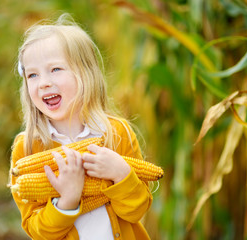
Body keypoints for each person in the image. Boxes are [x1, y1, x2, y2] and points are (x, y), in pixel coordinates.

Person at [10, 13, 152, 240]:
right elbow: (38, 231)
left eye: (55, 69)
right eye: (33, 75)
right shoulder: (27, 147)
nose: (44, 82)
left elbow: (137, 211)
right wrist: (67, 198)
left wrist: (121, 173)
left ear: (86, 73)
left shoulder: (117, 133)